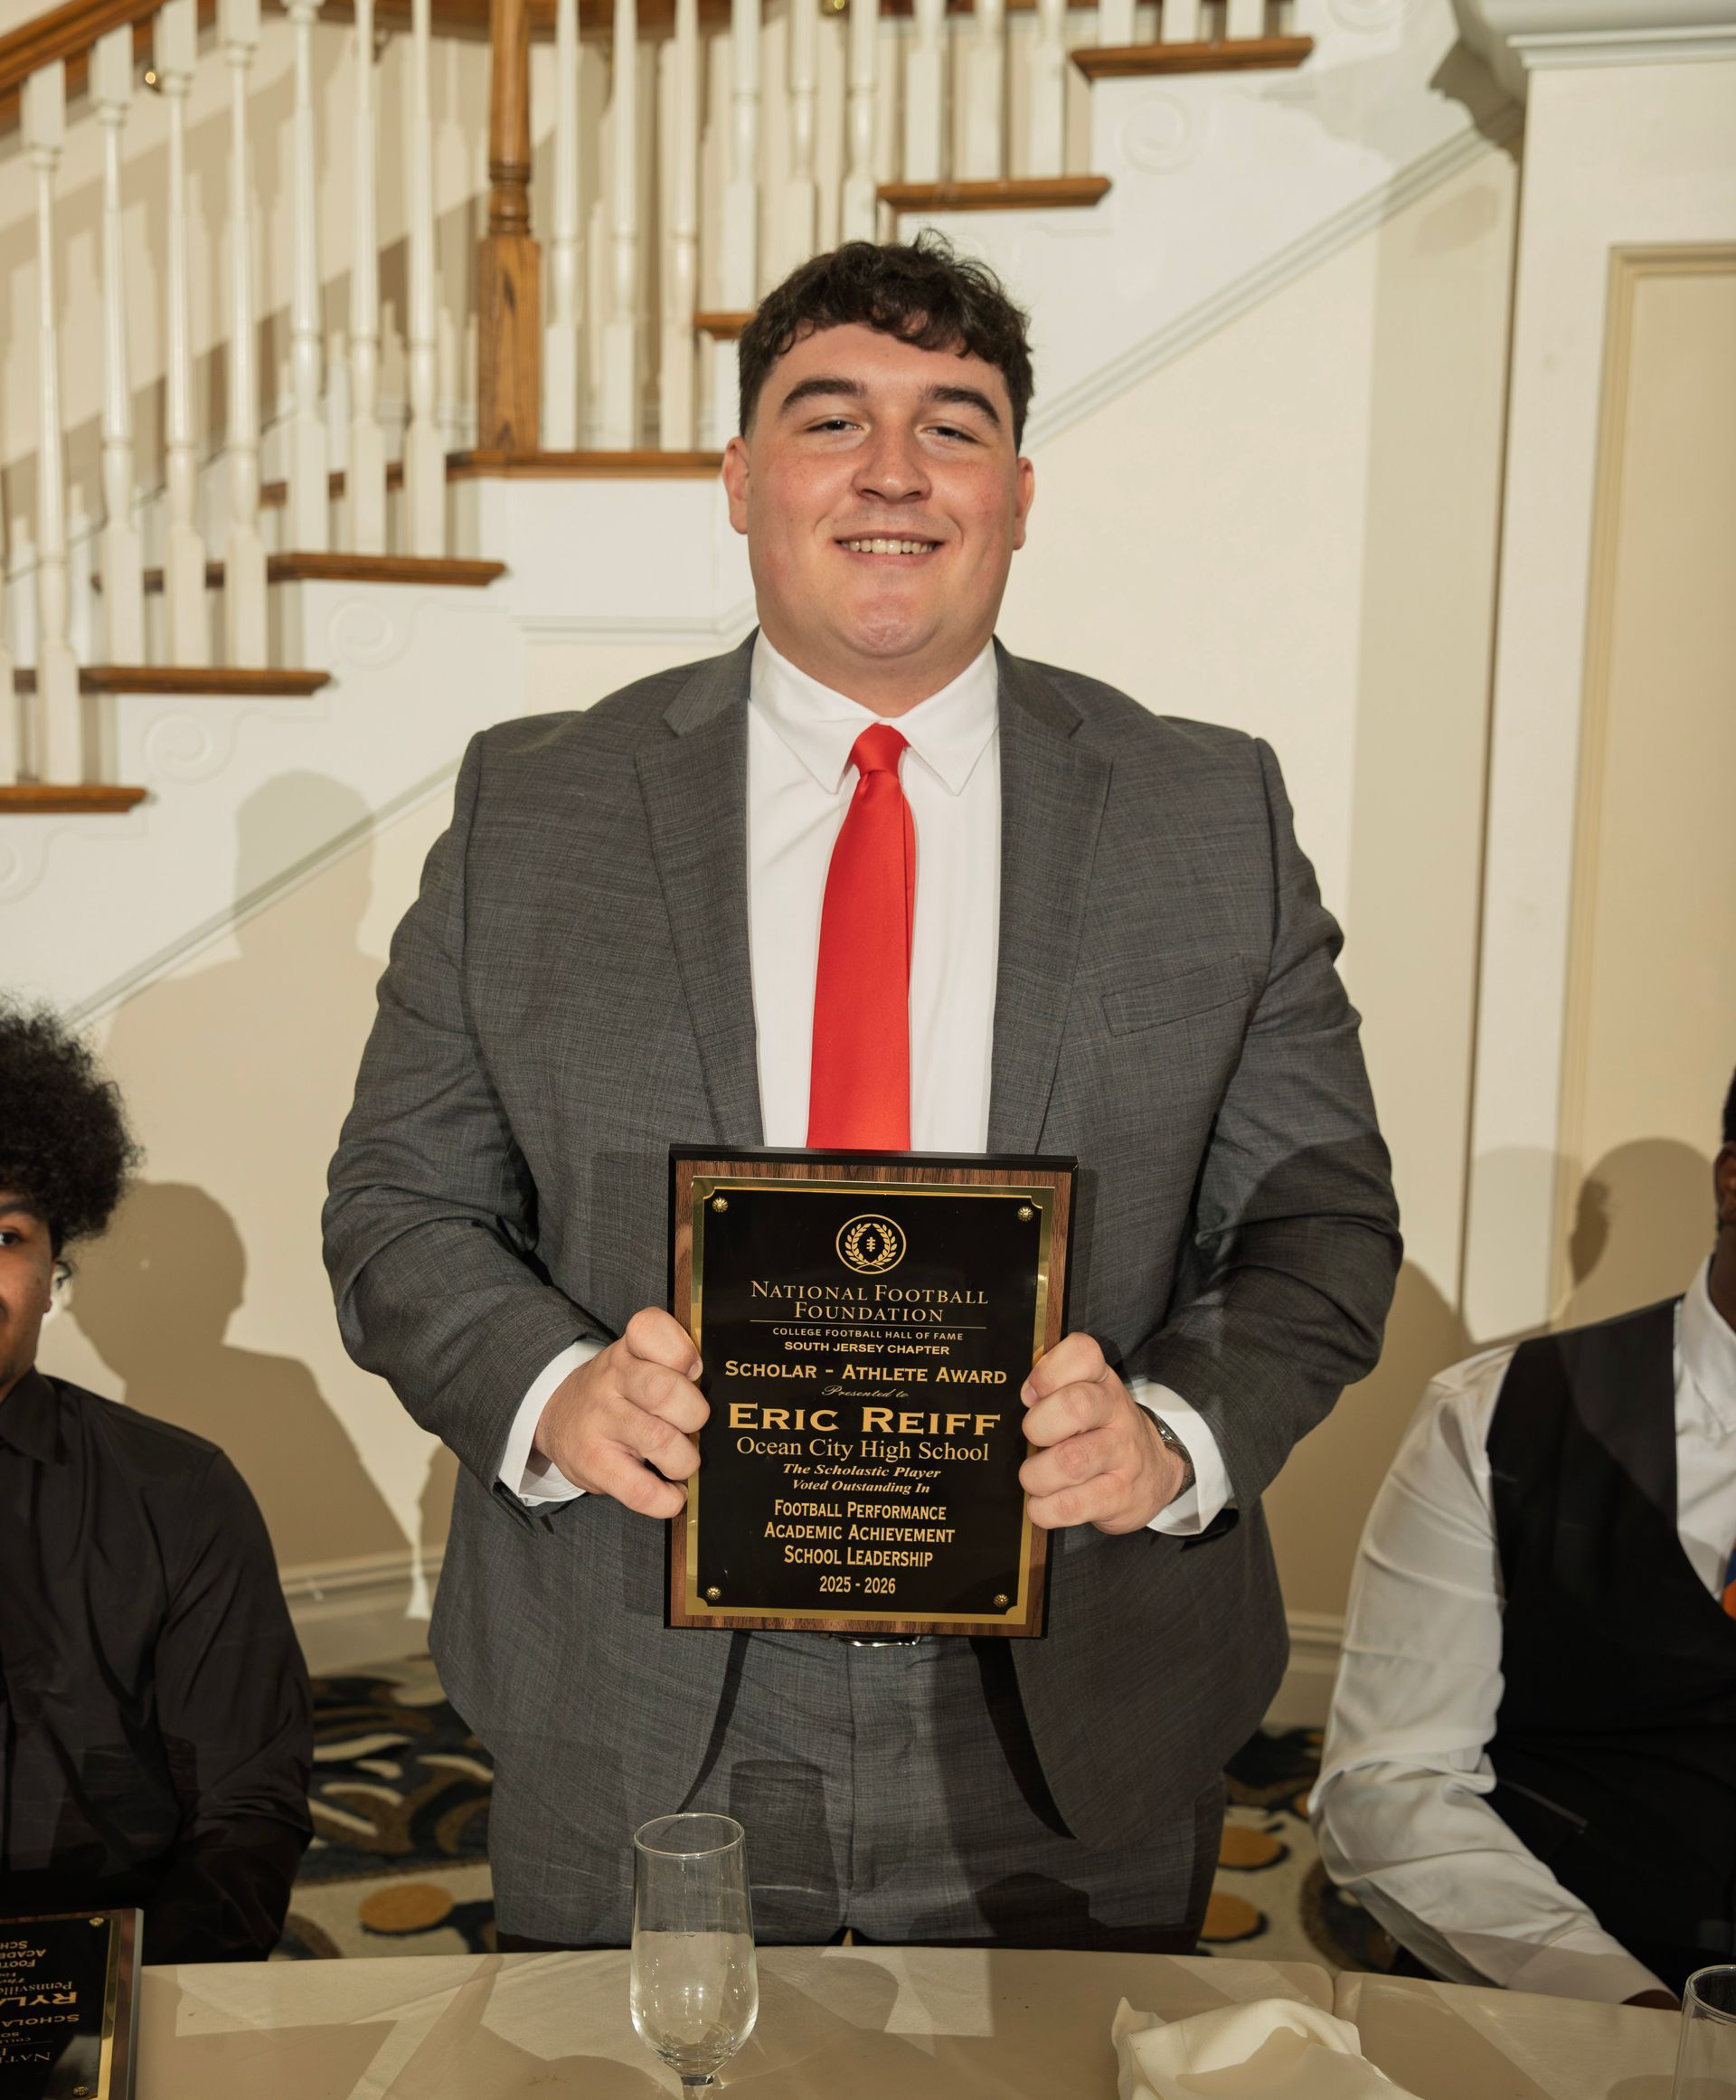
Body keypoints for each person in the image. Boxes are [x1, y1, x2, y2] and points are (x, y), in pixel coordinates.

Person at [325, 235, 1399, 1950]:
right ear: (740, 480)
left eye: (953, 427)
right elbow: (401, 1202)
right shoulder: (536, 808)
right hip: (638, 1692)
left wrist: (1172, 1434)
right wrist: (554, 1392)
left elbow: (1320, 1226)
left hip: (1077, 1698)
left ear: (1019, 495)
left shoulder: (1211, 816)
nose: (894, 471)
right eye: (831, 421)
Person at [1311, 1068, 1736, 2006]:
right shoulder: (1496, 1415)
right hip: (1577, 1991)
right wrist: (1620, 2008)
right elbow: (1390, 1784)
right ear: (1734, 1180)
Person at [0, 1003, 313, 1962]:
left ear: (55, 1266)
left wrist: (141, 2005)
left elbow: (245, 1811)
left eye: (5, 1236)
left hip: (117, 1966)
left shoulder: (180, 1495)